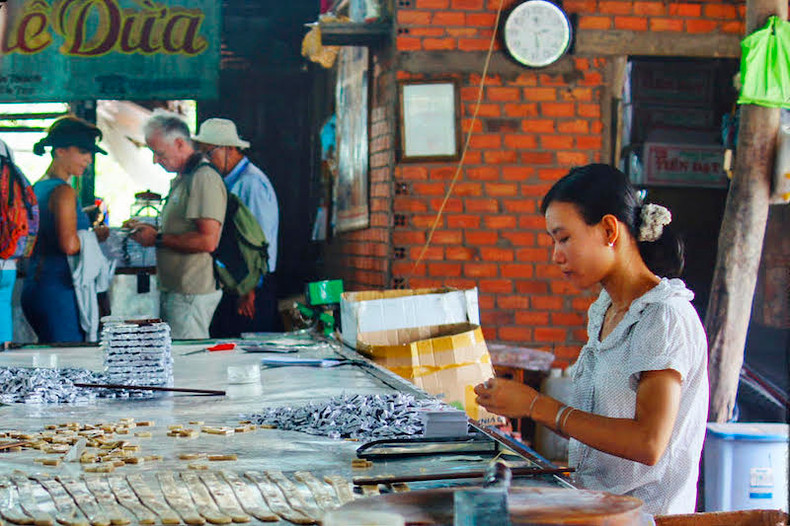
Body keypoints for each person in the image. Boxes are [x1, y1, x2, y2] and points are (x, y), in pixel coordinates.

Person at [474, 164, 708, 516]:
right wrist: (521, 409)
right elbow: (598, 429)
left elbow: (648, 443)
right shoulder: (605, 310)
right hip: (597, 509)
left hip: (644, 519)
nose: (556, 255)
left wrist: (538, 406)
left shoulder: (663, 316)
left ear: (609, 230)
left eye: (564, 238)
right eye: (553, 241)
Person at [126, 111, 227, 340]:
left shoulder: (203, 178)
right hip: (177, 290)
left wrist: (156, 239)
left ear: (180, 143)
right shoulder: (184, 178)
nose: (155, 160)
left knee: (186, 358)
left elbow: (208, 241)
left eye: (159, 153)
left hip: (191, 291)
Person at [21, 116, 110, 343]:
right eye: (83, 151)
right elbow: (69, 245)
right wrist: (94, 235)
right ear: (60, 150)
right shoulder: (64, 191)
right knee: (69, 359)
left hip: (36, 286)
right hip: (59, 290)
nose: (89, 159)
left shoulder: (37, 187)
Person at [192, 118, 280, 336]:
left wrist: (249, 289)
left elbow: (259, 242)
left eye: (210, 153)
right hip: (237, 283)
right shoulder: (228, 181)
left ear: (229, 149)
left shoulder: (251, 183)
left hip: (251, 287)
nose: (207, 160)